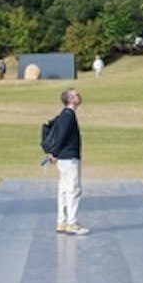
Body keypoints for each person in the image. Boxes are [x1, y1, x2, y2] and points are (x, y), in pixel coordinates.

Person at [41, 88, 86, 235]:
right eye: (76, 94)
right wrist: (54, 153)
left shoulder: (64, 115)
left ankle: (62, 221)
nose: (79, 96)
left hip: (64, 158)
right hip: (69, 158)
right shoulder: (68, 116)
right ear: (71, 99)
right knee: (73, 189)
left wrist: (54, 152)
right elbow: (62, 136)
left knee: (64, 189)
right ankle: (71, 223)